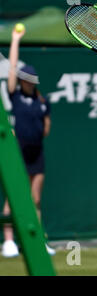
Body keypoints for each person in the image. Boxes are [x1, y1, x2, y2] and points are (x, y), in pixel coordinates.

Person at [1, 27, 55, 257]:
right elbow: (12, 67)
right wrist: (15, 40)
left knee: (35, 199)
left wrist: (42, 131)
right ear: (21, 80)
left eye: (33, 81)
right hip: (18, 151)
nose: (30, 83)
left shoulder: (42, 100)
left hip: (37, 152)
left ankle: (37, 242)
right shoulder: (15, 93)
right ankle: (9, 243)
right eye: (27, 80)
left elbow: (46, 124)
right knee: (14, 198)